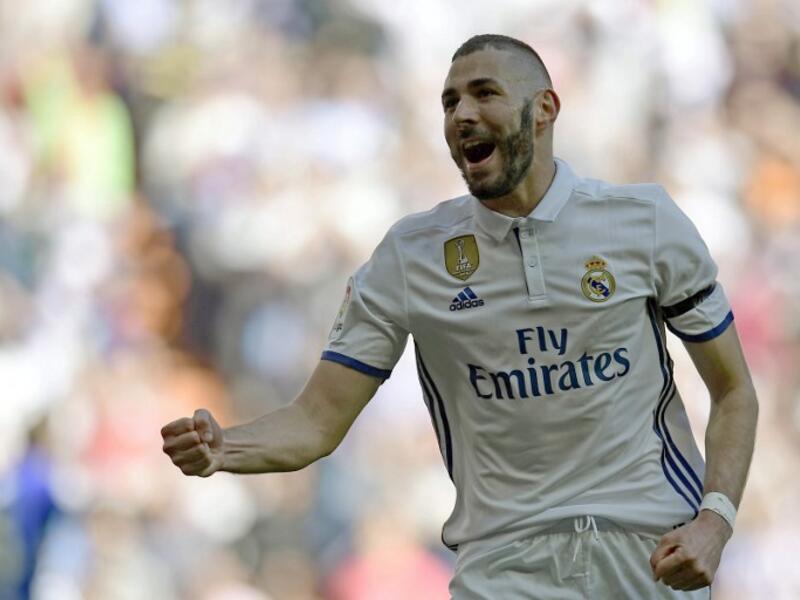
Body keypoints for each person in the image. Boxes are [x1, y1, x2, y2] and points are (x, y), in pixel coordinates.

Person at [161, 34, 758, 598]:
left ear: (545, 108)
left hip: (649, 555)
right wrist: (225, 449)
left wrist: (716, 520)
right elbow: (316, 421)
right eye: (449, 102)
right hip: (504, 566)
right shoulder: (411, 256)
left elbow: (733, 391)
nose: (460, 115)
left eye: (484, 93)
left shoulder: (643, 221)